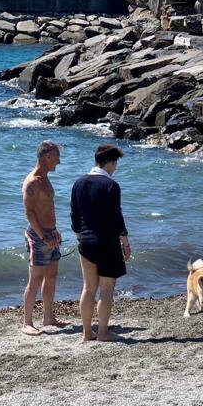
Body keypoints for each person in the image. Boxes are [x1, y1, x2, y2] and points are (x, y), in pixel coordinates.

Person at [71, 144, 132, 342]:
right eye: (116, 163)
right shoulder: (111, 185)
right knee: (106, 289)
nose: (115, 168)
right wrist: (125, 241)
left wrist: (80, 235)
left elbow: (74, 215)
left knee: (88, 288)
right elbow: (116, 217)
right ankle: (103, 332)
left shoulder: (78, 183)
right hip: (107, 242)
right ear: (111, 162)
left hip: (86, 241)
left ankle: (87, 332)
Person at [21, 140, 67, 336]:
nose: (59, 161)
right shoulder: (32, 181)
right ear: (47, 157)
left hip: (50, 233)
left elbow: (47, 208)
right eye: (57, 157)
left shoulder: (45, 178)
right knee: (36, 279)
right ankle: (27, 322)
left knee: (52, 275)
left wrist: (54, 232)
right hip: (38, 236)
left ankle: (49, 317)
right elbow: (29, 213)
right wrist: (43, 236)